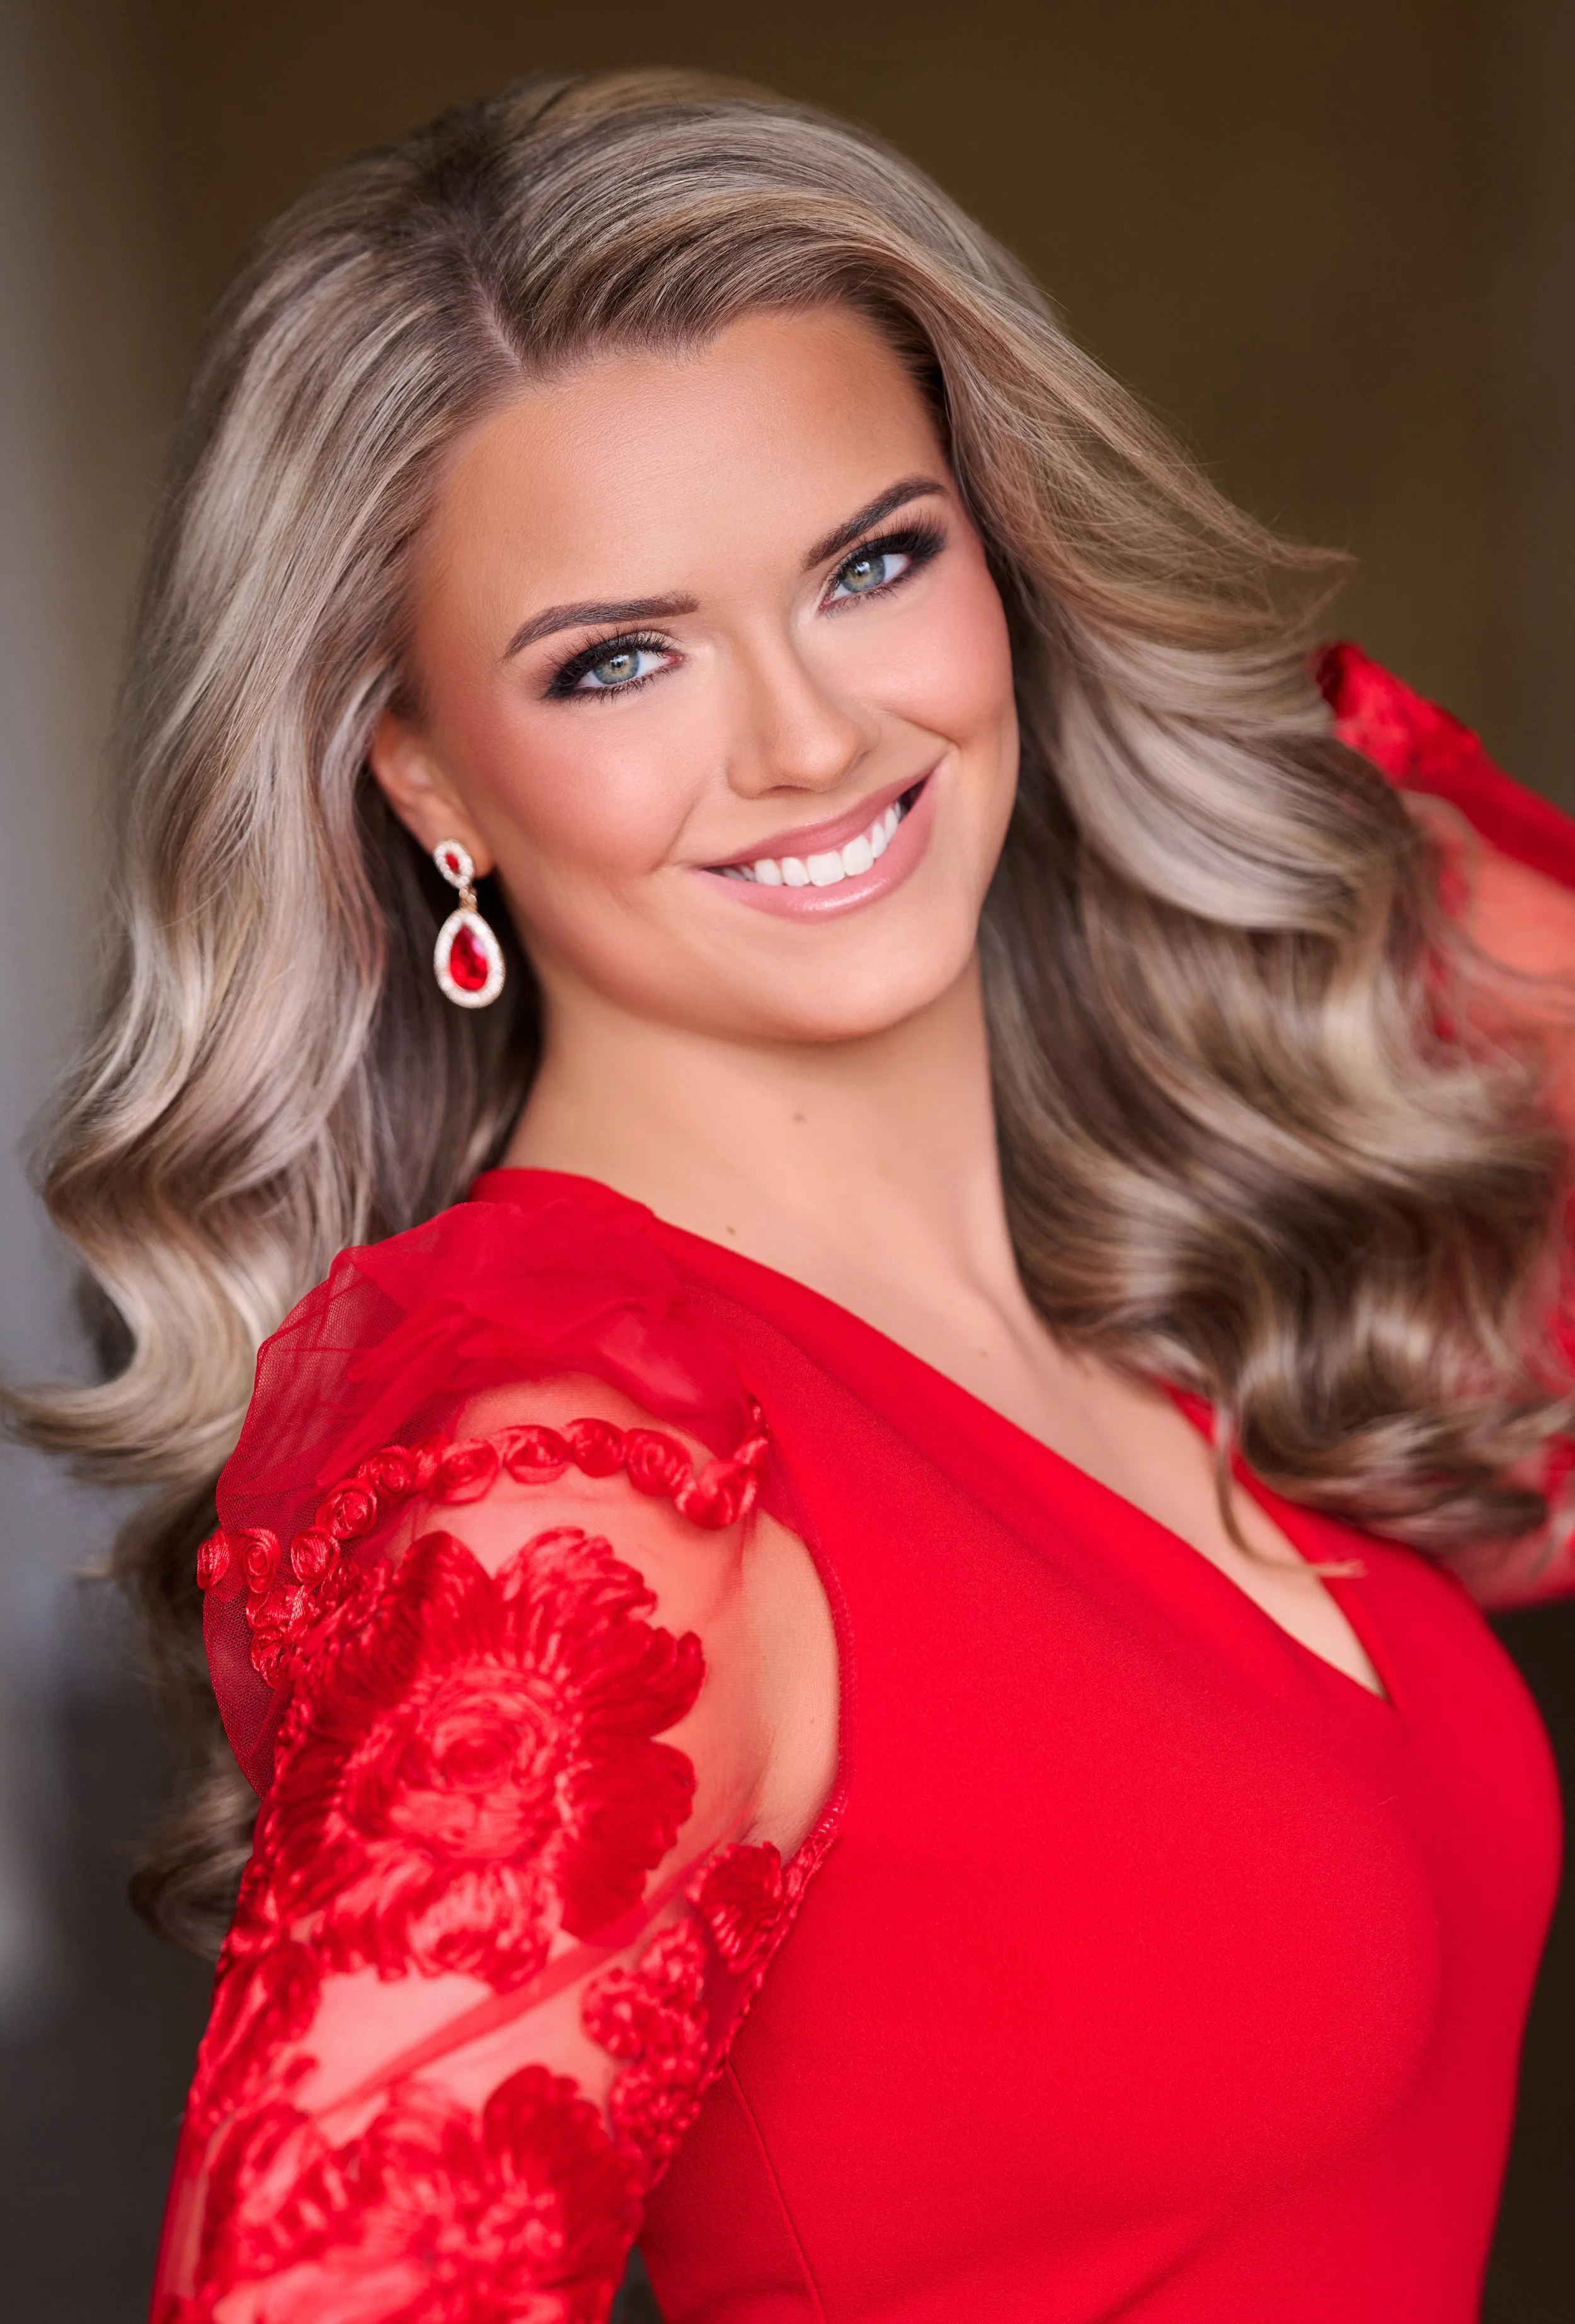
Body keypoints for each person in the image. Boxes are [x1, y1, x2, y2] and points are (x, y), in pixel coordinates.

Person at [18, 67, 1575, 2324]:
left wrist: (1262, 795)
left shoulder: (1145, 1283)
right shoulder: (584, 1493)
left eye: (872, 562)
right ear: (426, 768)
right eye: (618, 658)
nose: (810, 741)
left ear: (1005, 553)